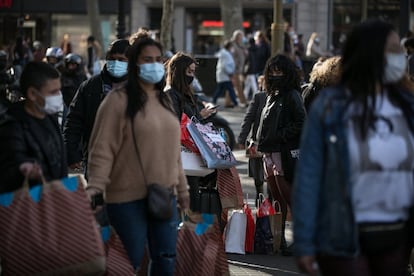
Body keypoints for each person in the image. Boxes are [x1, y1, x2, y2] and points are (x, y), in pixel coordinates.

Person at [293, 19, 414, 276]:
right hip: (343, 235)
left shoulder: (407, 104)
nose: (401, 56)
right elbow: (309, 175)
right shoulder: (331, 106)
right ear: (368, 52)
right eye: (392, 50)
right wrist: (304, 241)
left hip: (397, 237)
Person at [86, 31, 189, 274]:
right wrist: (95, 188)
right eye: (146, 59)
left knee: (165, 260)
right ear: (134, 63)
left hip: (164, 196)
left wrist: (182, 189)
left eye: (157, 59)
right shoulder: (117, 101)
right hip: (125, 199)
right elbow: (102, 150)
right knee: (127, 263)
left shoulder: (164, 101)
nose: (153, 65)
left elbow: (173, 152)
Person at [256, 54, 306, 256]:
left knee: (289, 197)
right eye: (273, 71)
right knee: (277, 199)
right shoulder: (271, 95)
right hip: (269, 153)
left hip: (282, 153)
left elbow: (302, 122)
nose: (276, 75)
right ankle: (280, 240)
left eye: (280, 71)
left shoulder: (292, 95)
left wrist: (280, 136)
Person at [63, 39, 129, 174]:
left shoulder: (141, 88)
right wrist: (72, 154)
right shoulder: (90, 87)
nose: (116, 63)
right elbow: (73, 122)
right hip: (96, 160)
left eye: (122, 60)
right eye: (112, 59)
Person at [0, 61, 67, 193]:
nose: (59, 97)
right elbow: (9, 167)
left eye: (59, 90)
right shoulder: (12, 126)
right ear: (32, 94)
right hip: (29, 206)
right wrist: (24, 169)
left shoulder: (50, 118)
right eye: (53, 92)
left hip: (56, 200)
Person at [165, 51, 216, 212]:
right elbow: (175, 123)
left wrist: (202, 117)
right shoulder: (170, 95)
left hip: (192, 156)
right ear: (179, 71)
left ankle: (192, 232)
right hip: (178, 156)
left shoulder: (188, 94)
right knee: (186, 200)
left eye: (193, 72)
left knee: (193, 199)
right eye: (189, 72)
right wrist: (198, 117)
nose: (192, 76)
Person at [237, 89, 267, 205]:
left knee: (273, 177)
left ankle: (271, 201)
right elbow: (249, 118)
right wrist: (242, 138)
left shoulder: (286, 96)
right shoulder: (259, 97)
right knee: (258, 175)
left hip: (275, 142)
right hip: (257, 142)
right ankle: (259, 196)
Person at [212, 40, 239, 107]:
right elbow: (225, 65)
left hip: (223, 76)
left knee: (220, 90)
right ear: (229, 47)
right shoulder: (226, 54)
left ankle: (213, 101)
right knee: (230, 89)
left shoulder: (224, 54)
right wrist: (230, 72)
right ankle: (235, 102)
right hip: (225, 76)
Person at [230, 29, 248, 106]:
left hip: (240, 68)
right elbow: (232, 56)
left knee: (232, 85)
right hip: (235, 68)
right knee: (238, 85)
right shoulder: (233, 45)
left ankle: (228, 101)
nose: (241, 38)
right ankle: (243, 101)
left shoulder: (241, 45)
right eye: (240, 36)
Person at [243, 37, 259, 101]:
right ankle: (245, 96)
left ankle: (253, 96)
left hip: (250, 69)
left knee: (252, 84)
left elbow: (248, 61)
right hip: (255, 67)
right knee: (249, 84)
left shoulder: (249, 50)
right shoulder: (257, 49)